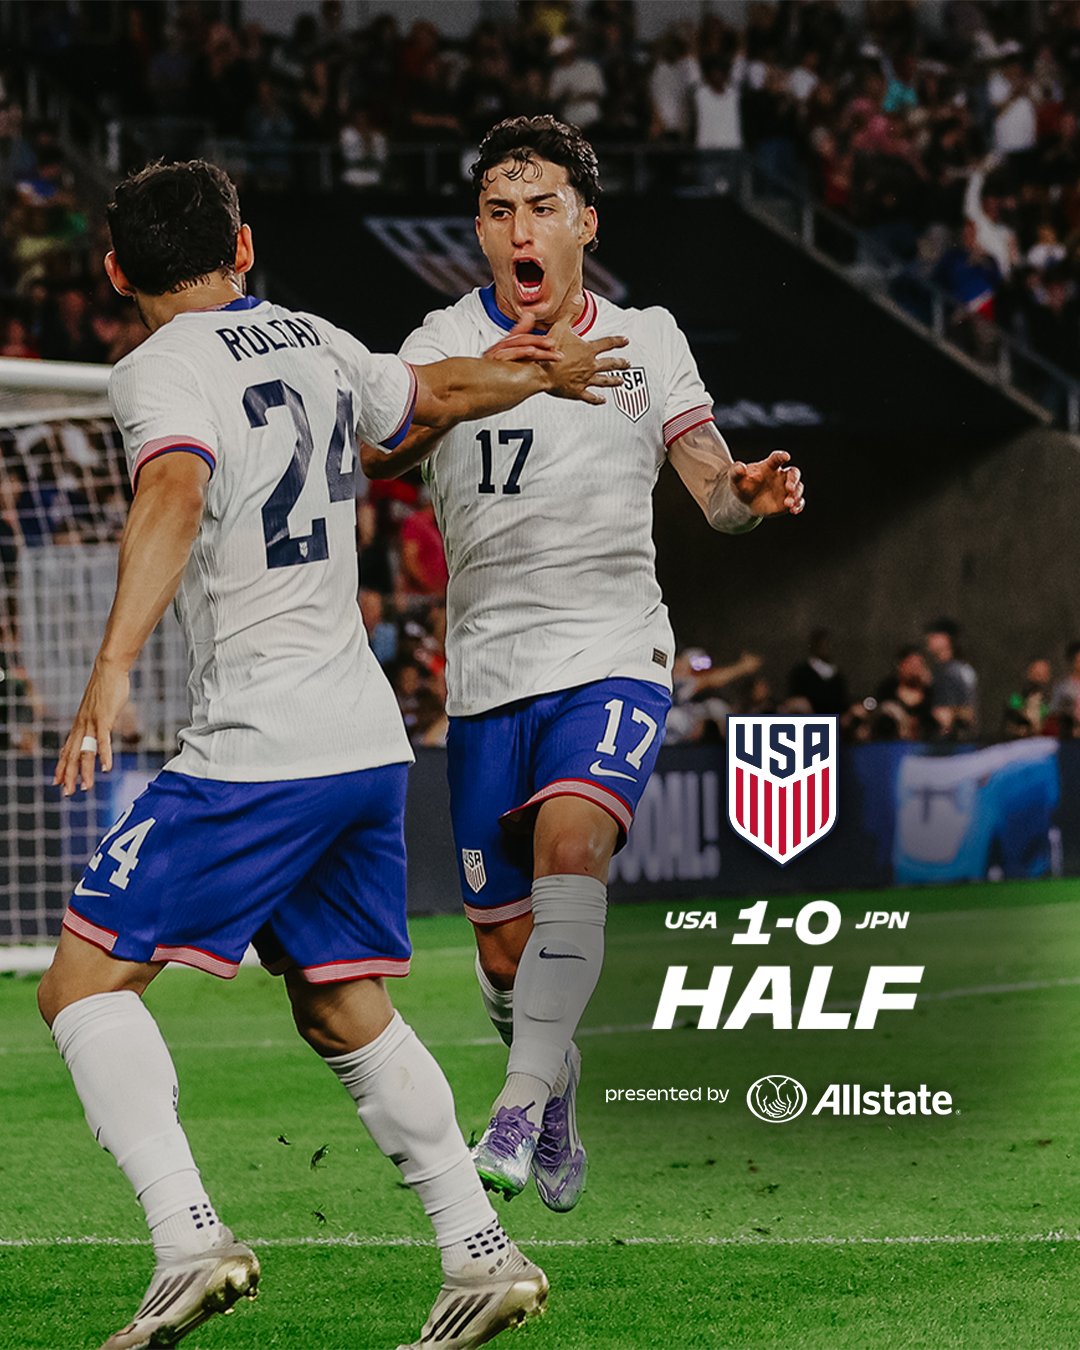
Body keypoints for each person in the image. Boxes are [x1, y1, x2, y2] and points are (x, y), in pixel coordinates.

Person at [35, 158, 628, 1350]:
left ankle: (187, 1239)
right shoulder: (313, 338)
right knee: (340, 1004)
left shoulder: (157, 368)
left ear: (114, 272)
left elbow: (173, 490)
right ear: (243, 248)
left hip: (257, 745)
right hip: (363, 740)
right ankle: (479, 1254)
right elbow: (435, 390)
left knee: (80, 985)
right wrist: (540, 370)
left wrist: (109, 668)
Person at [362, 116, 804, 1212]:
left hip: (614, 651)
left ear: (585, 224)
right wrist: (507, 377)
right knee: (504, 961)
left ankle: (515, 1109)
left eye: (543, 208)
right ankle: (555, 1088)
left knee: (574, 846)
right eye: (500, 211)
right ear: (479, 231)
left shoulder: (649, 338)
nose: (522, 229)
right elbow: (379, 454)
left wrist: (746, 496)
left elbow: (712, 491)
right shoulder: (437, 343)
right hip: (486, 677)